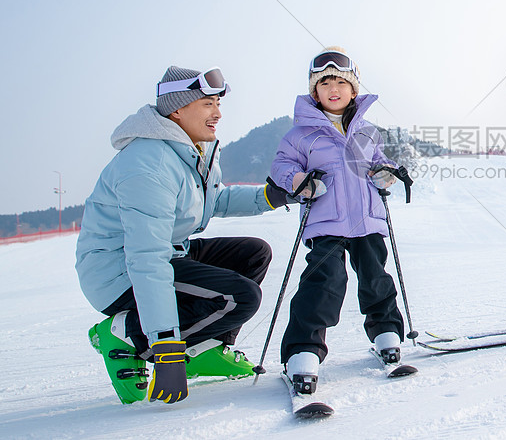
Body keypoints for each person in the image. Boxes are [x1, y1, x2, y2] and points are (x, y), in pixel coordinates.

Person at [76, 66, 296, 405]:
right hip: (121, 275)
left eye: (217, 104)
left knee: (253, 254)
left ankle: (203, 349)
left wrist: (271, 196)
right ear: (177, 109)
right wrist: (166, 349)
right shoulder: (148, 164)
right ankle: (127, 336)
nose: (218, 114)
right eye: (208, 104)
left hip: (167, 253)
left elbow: (213, 199)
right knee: (240, 297)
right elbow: (146, 259)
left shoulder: (188, 150)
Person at [270, 47, 404, 396]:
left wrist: (385, 173)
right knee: (325, 282)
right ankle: (303, 351)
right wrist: (297, 181)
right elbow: (282, 166)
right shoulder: (301, 134)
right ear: (314, 92)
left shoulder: (368, 132)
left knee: (376, 277)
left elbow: (380, 161)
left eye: (341, 82)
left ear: (353, 90)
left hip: (367, 220)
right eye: (325, 82)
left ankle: (386, 333)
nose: (333, 88)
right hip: (326, 221)